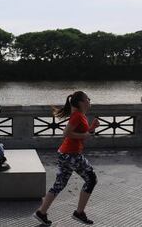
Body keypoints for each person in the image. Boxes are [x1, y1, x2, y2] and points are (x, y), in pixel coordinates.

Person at [34, 91, 100, 226]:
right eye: (88, 99)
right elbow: (67, 133)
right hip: (72, 154)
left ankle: (41, 212)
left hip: (65, 153)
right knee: (91, 179)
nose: (89, 101)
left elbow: (83, 134)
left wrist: (91, 129)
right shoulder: (77, 116)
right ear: (82, 102)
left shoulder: (79, 115)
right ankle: (79, 212)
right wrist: (85, 135)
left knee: (59, 184)